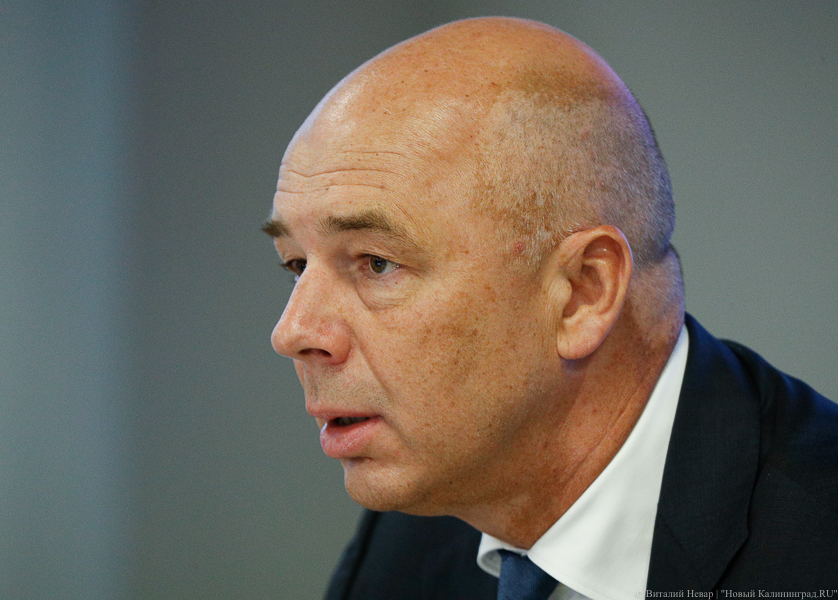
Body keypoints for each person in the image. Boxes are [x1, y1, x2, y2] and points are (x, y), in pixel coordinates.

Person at [264, 17, 838, 599]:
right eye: (296, 265)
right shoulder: (409, 541)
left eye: (376, 262)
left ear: (583, 293)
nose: (292, 332)